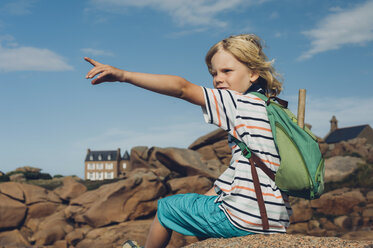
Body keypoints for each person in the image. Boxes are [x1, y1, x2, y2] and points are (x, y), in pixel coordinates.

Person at [85, 34, 292, 248]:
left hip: (244, 219)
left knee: (166, 207)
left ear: (253, 74)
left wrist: (123, 75)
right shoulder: (274, 110)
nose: (218, 79)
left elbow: (182, 87)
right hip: (275, 222)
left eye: (227, 71)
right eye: (214, 73)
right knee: (200, 214)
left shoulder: (238, 102)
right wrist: (201, 203)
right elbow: (239, 173)